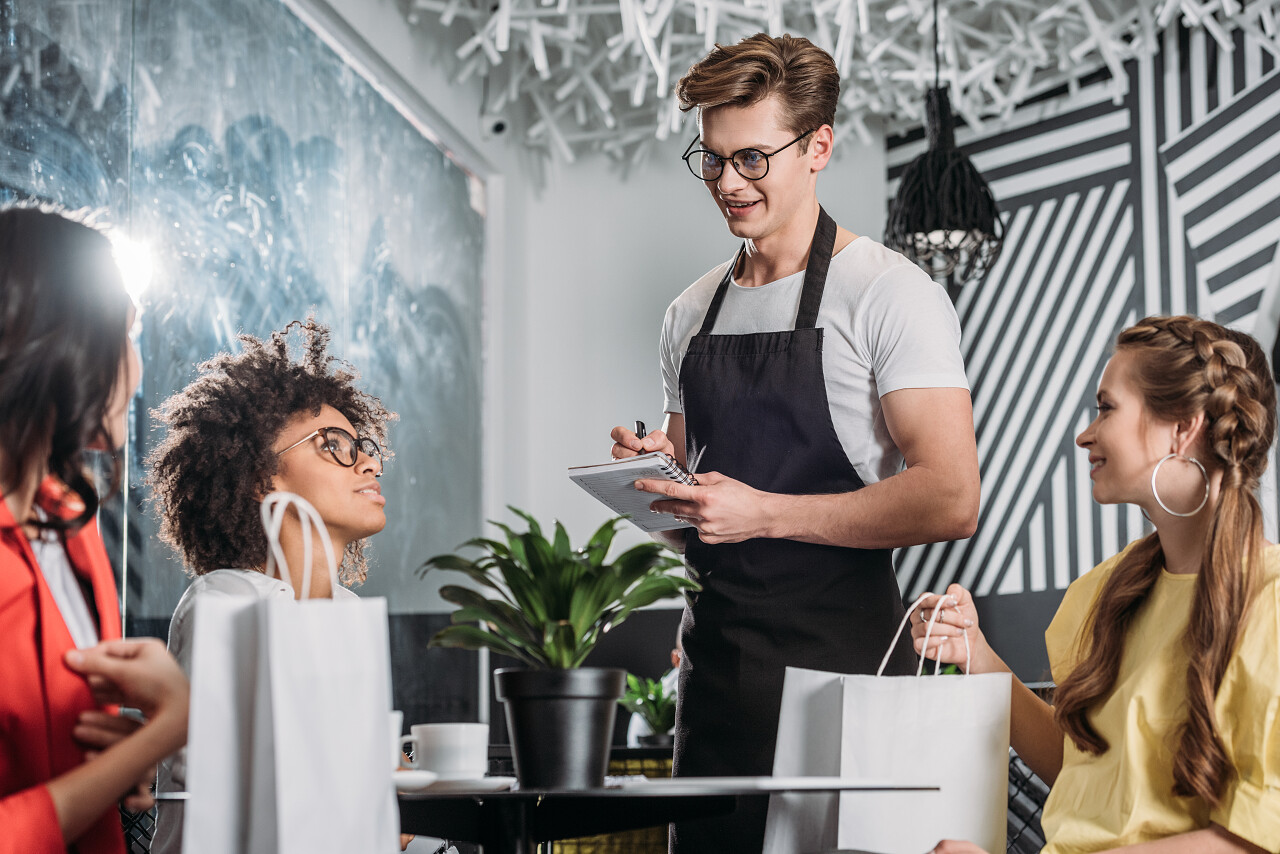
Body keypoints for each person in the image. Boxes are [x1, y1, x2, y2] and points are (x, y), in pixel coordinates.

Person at [608, 33, 980, 853]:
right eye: (710, 160)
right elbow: (696, 512)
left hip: (845, 684)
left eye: (751, 159)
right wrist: (657, 480)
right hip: (713, 692)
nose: (727, 184)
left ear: (818, 147)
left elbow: (951, 496)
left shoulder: (889, 295)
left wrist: (764, 514)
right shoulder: (688, 314)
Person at [914, 316, 1277, 854]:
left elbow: (1256, 837)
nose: (1086, 434)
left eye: (1106, 408)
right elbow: (1086, 773)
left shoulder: (1269, 604)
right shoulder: (1105, 592)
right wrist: (979, 659)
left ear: (1183, 427)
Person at [145, 319, 396, 854]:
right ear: (263, 476)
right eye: (335, 445)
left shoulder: (347, 611)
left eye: (364, 446)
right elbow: (211, 768)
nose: (370, 461)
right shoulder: (227, 599)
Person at [0, 203, 190, 854]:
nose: (136, 369)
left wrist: (124, 761)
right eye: (128, 333)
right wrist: (167, 732)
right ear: (68, 336)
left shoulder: (72, 527)